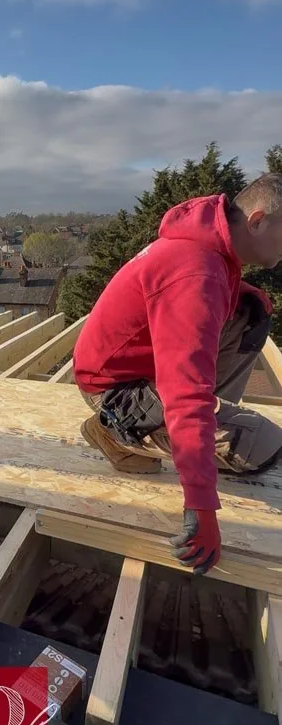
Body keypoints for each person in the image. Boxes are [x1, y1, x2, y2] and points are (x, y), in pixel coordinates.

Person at [74, 173, 282, 575]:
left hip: (139, 374)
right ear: (257, 221)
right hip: (119, 394)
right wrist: (201, 507)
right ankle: (114, 433)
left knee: (249, 312)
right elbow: (185, 394)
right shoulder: (197, 273)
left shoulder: (210, 252)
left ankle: (199, 434)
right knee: (266, 449)